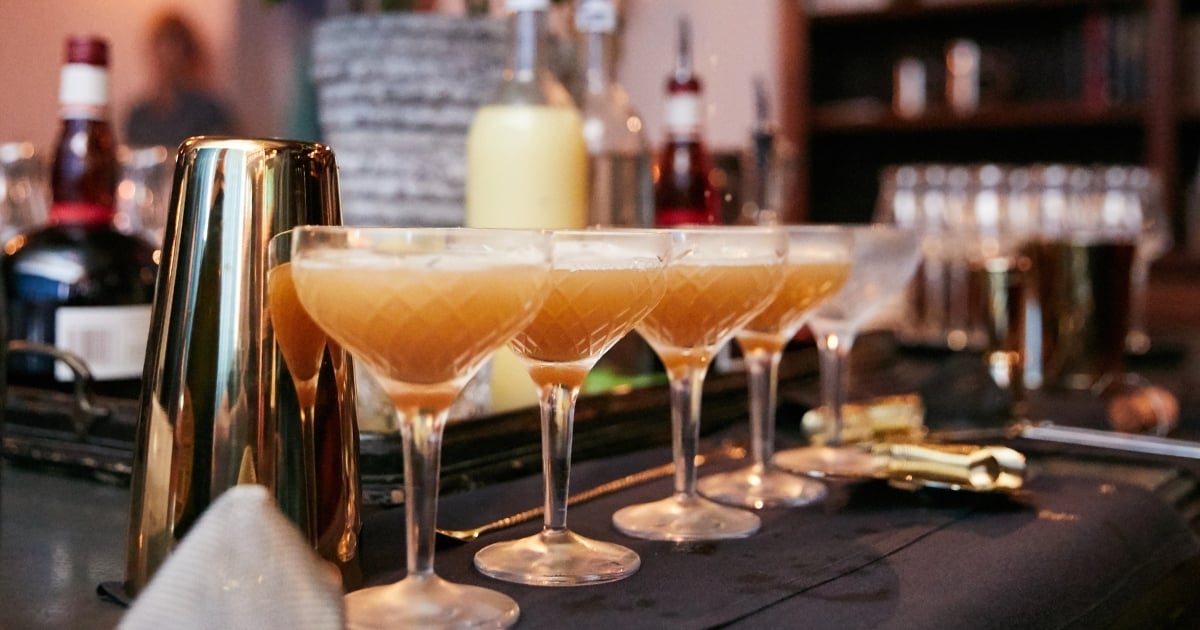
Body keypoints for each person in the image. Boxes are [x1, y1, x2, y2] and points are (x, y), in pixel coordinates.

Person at [124, 12, 236, 148]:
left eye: (173, 48)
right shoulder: (138, 116)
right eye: (161, 48)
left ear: (188, 54)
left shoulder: (210, 112)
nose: (166, 60)